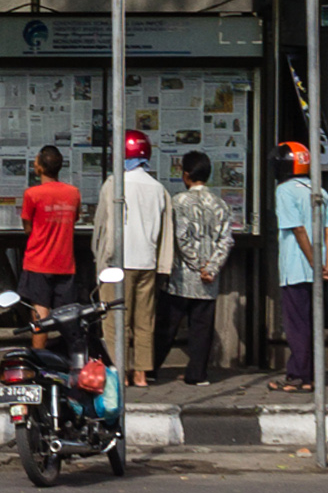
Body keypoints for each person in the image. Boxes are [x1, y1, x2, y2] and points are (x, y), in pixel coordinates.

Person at [98, 131, 176, 385]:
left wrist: (100, 261)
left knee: (115, 319)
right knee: (145, 321)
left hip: (118, 262)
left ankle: (121, 371)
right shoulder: (158, 188)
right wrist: (163, 264)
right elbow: (167, 230)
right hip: (148, 262)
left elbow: (102, 226)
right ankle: (141, 372)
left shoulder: (114, 184)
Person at [164, 150, 239, 384]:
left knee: (167, 326)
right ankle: (197, 374)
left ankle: (150, 369)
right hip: (209, 281)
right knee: (202, 329)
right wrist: (211, 268)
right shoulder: (220, 204)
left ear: (186, 175)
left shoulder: (178, 202)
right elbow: (226, 239)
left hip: (182, 278)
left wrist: (197, 265)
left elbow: (181, 238)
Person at [270, 142, 328, 393]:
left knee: (296, 326)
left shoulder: (285, 191)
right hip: (317, 271)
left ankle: (300, 377)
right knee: (309, 323)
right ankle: (304, 373)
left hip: (295, 268)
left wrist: (314, 262)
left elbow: (297, 229)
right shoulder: (320, 190)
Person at [15, 144, 86, 319]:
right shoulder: (73, 193)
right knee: (66, 314)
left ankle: (39, 347)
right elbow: (74, 219)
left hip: (38, 261)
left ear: (39, 166)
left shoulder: (32, 194)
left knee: (40, 310)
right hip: (65, 262)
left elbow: (27, 227)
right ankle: (69, 346)